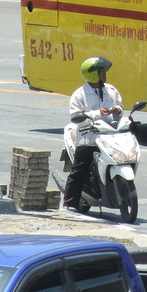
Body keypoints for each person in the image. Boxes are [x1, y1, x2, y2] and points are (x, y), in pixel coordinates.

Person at [62, 56, 123, 211]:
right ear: (93, 75)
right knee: (79, 169)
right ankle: (68, 203)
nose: (105, 75)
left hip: (109, 137)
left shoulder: (111, 90)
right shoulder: (80, 94)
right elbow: (76, 117)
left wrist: (117, 110)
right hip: (88, 138)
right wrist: (96, 114)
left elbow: (119, 107)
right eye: (102, 72)